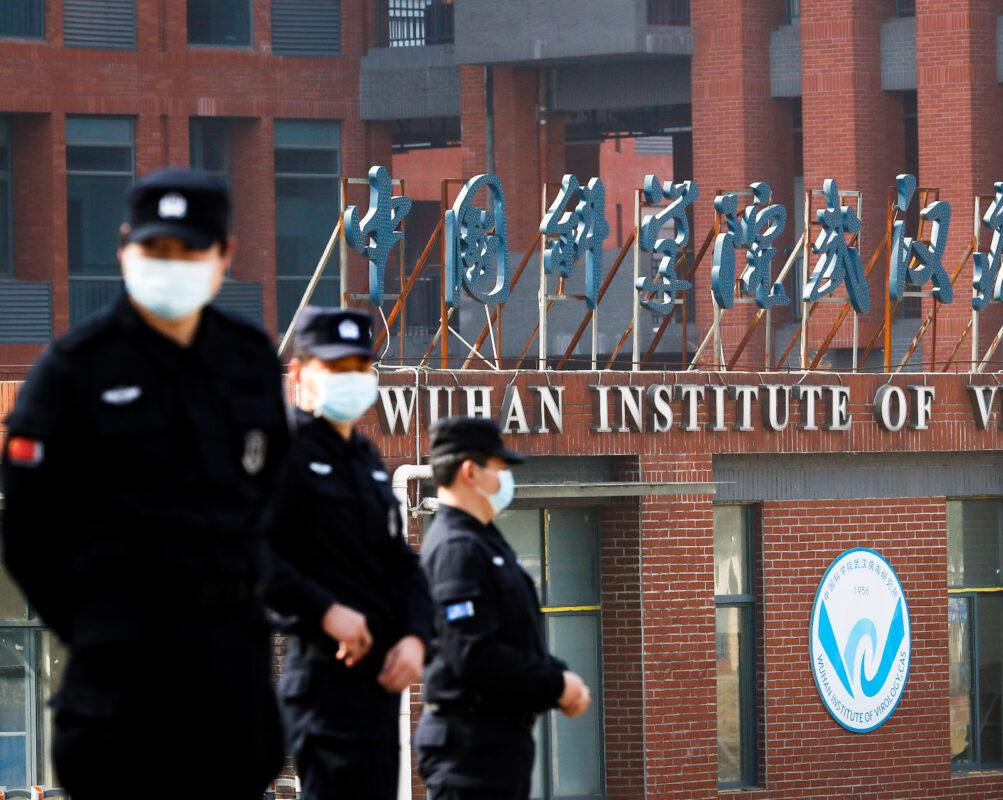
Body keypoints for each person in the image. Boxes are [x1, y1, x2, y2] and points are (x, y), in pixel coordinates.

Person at [0, 168, 285, 799]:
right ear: (125, 248)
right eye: (156, 251)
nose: (171, 266)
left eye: (190, 251)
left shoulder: (249, 360)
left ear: (224, 256)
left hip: (228, 677)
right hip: (121, 678)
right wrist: (100, 624)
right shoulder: (75, 371)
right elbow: (27, 531)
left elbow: (272, 493)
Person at [266, 306, 433, 800]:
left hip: (378, 686)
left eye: (362, 366)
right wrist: (326, 612)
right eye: (336, 367)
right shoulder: (282, 450)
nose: (353, 378)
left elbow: (400, 564)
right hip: (323, 681)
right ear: (298, 373)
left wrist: (417, 637)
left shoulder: (366, 459)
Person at [414, 416, 592, 800]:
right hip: (471, 746)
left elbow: (514, 635)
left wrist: (558, 676)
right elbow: (472, 653)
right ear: (470, 472)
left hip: (494, 744)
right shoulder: (456, 548)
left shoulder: (483, 541)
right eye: (499, 469)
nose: (506, 479)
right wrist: (556, 685)